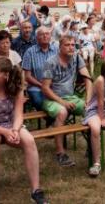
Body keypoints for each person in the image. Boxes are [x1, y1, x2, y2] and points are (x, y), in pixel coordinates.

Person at [0, 57, 46, 204]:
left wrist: (14, 130)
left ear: (6, 75)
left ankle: (36, 190)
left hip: (9, 124)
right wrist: (5, 132)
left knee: (29, 140)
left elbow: (19, 115)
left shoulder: (16, 88)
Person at [42, 35, 92, 167]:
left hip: (70, 97)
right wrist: (62, 102)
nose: (71, 48)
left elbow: (88, 79)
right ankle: (60, 153)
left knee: (90, 108)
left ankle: (91, 146)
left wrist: (88, 99)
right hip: (51, 99)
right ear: (60, 47)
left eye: (73, 45)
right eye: (67, 45)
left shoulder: (76, 57)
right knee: (62, 112)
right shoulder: (50, 62)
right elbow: (45, 89)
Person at [22, 26, 58, 109]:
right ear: (36, 37)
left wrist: (53, 83)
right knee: (39, 101)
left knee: (63, 98)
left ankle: (53, 117)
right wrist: (41, 85)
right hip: (36, 86)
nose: (45, 36)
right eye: (42, 34)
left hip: (54, 85)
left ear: (50, 36)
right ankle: (52, 117)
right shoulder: (30, 52)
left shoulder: (57, 50)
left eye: (47, 34)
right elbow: (27, 76)